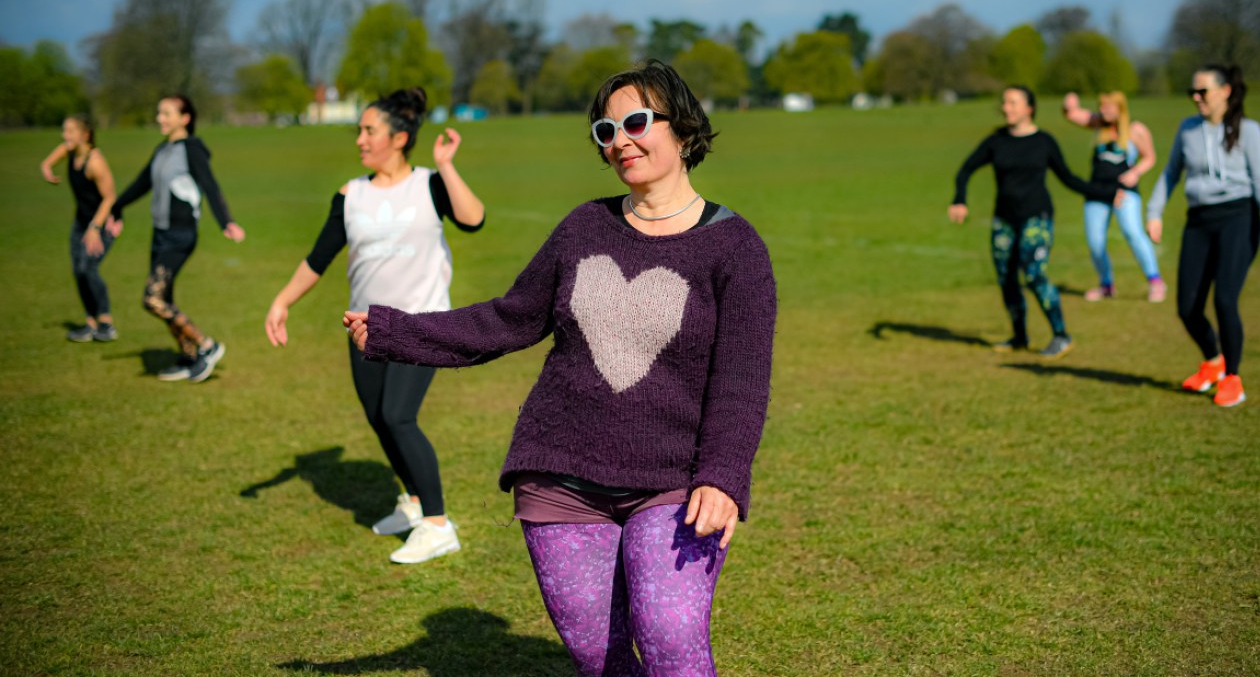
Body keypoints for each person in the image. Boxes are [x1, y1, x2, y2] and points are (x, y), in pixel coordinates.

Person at [344, 60, 776, 675]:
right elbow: (507, 319)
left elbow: (741, 381)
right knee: (598, 659)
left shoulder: (736, 247)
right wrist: (396, 331)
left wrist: (724, 476)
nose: (620, 140)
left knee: (671, 641)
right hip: (560, 475)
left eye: (635, 122)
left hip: (676, 483)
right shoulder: (583, 228)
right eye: (605, 130)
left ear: (682, 129)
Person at [265, 87, 485, 565]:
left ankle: (438, 524)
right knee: (378, 419)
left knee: (397, 416)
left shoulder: (429, 184)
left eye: (369, 131)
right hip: (364, 325)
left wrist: (446, 164)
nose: (360, 140)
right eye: (359, 131)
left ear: (400, 137)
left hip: (421, 321)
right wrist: (282, 301)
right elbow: (318, 258)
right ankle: (411, 502)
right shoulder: (351, 194)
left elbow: (473, 220)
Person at [1146, 64, 1260, 408]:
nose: (1196, 98)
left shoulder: (1249, 130)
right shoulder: (1187, 129)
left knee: (1225, 299)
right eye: (1192, 93)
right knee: (1187, 307)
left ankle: (1232, 377)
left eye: (1203, 91)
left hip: (1238, 218)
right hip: (1198, 221)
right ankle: (1212, 361)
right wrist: (1154, 213)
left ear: (1225, 91)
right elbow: (1170, 173)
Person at [949, 85, 1117, 359]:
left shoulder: (1044, 142)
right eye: (1004, 103)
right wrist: (959, 199)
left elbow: (1068, 178)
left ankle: (1061, 335)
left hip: (1037, 217)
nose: (1006, 108)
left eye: (1013, 103)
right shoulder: (996, 141)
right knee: (1007, 278)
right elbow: (966, 169)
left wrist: (1106, 193)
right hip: (1004, 219)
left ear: (1029, 108)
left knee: (1034, 272)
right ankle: (1019, 336)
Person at [108, 95, 245, 383]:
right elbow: (142, 182)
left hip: (180, 235)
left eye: (166, 113)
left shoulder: (192, 149)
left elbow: (209, 184)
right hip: (160, 233)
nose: (160, 118)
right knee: (165, 298)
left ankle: (207, 345)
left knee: (153, 298)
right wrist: (116, 207)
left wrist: (226, 221)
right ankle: (189, 357)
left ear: (185, 118)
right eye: (159, 113)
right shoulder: (163, 149)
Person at [1062, 91, 1167, 302]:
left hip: (1124, 191)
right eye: (1101, 106)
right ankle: (1106, 285)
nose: (1103, 111)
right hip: (1097, 192)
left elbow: (1150, 157)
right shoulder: (1098, 124)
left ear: (1121, 108)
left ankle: (1155, 282)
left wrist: (1135, 172)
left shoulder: (1135, 130)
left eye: (1108, 106)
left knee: (1132, 232)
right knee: (1095, 241)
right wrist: (1069, 105)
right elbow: (1073, 115)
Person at [40, 114, 119, 342]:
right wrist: (46, 167)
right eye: (64, 131)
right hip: (80, 223)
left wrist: (95, 227)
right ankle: (90, 323)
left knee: (88, 269)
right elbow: (52, 158)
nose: (65, 137)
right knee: (78, 271)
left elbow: (109, 197)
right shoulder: (70, 151)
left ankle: (106, 322)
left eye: (70, 132)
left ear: (85, 134)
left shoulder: (95, 162)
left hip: (102, 224)